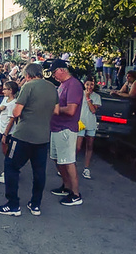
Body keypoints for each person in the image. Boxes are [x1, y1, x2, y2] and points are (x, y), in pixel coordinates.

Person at [0, 63, 58, 216]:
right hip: (43, 136)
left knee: (11, 166)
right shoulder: (52, 87)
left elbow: (16, 112)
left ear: (28, 75)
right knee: (39, 171)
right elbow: (55, 111)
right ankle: (35, 204)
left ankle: (13, 204)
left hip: (24, 134)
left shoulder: (28, 87)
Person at [48, 59, 84, 206]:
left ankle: (75, 194)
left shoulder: (74, 85)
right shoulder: (62, 85)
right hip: (56, 127)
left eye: (55, 72)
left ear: (62, 70)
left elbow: (71, 110)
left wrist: (56, 109)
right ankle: (66, 186)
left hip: (66, 129)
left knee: (68, 161)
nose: (54, 76)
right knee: (57, 159)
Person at [76, 76, 101, 179]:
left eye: (91, 84)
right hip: (80, 123)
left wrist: (88, 98)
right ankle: (70, 165)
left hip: (91, 123)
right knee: (78, 146)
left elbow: (93, 110)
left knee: (89, 146)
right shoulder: (79, 94)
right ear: (84, 84)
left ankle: (86, 168)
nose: (89, 87)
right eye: (87, 84)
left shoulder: (96, 97)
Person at [0, 81, 19, 184]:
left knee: (9, 153)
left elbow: (12, 120)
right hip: (2, 129)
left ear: (11, 90)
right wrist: (0, 109)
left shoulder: (13, 103)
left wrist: (5, 134)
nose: (3, 91)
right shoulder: (5, 99)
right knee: (5, 151)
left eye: (5, 89)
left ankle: (10, 173)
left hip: (9, 132)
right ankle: (10, 171)